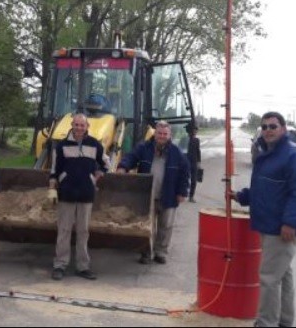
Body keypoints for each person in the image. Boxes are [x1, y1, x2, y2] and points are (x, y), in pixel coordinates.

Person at [229, 112, 296, 328]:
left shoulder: (294, 155)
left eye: (273, 126)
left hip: (281, 228)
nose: (268, 130)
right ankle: (284, 321)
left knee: (268, 278)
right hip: (268, 225)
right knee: (282, 275)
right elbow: (263, 188)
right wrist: (241, 196)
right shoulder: (267, 154)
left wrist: (290, 223)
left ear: (283, 129)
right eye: (264, 127)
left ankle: (266, 323)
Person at [116, 121, 189, 264]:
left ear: (169, 135)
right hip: (147, 194)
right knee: (145, 226)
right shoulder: (144, 147)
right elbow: (131, 157)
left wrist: (182, 192)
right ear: (155, 134)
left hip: (168, 195)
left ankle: (160, 252)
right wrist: (123, 167)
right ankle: (146, 252)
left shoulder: (176, 153)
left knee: (165, 225)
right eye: (159, 133)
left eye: (165, 134)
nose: (162, 136)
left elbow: (185, 173)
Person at [48, 113, 108, 281]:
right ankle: (60, 265)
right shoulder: (61, 146)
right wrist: (52, 187)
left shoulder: (94, 144)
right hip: (66, 193)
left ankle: (83, 266)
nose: (79, 128)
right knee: (64, 230)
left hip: (86, 193)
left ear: (87, 126)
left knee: (83, 231)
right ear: (72, 125)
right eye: (76, 124)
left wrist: (98, 174)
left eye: (82, 125)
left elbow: (105, 162)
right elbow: (54, 169)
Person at [187, 125, 202, 203]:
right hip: (185, 162)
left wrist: (199, 162)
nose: (196, 132)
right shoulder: (185, 139)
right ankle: (181, 194)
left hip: (194, 162)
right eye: (194, 130)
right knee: (183, 179)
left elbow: (198, 151)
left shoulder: (197, 140)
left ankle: (191, 196)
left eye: (196, 130)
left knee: (194, 180)